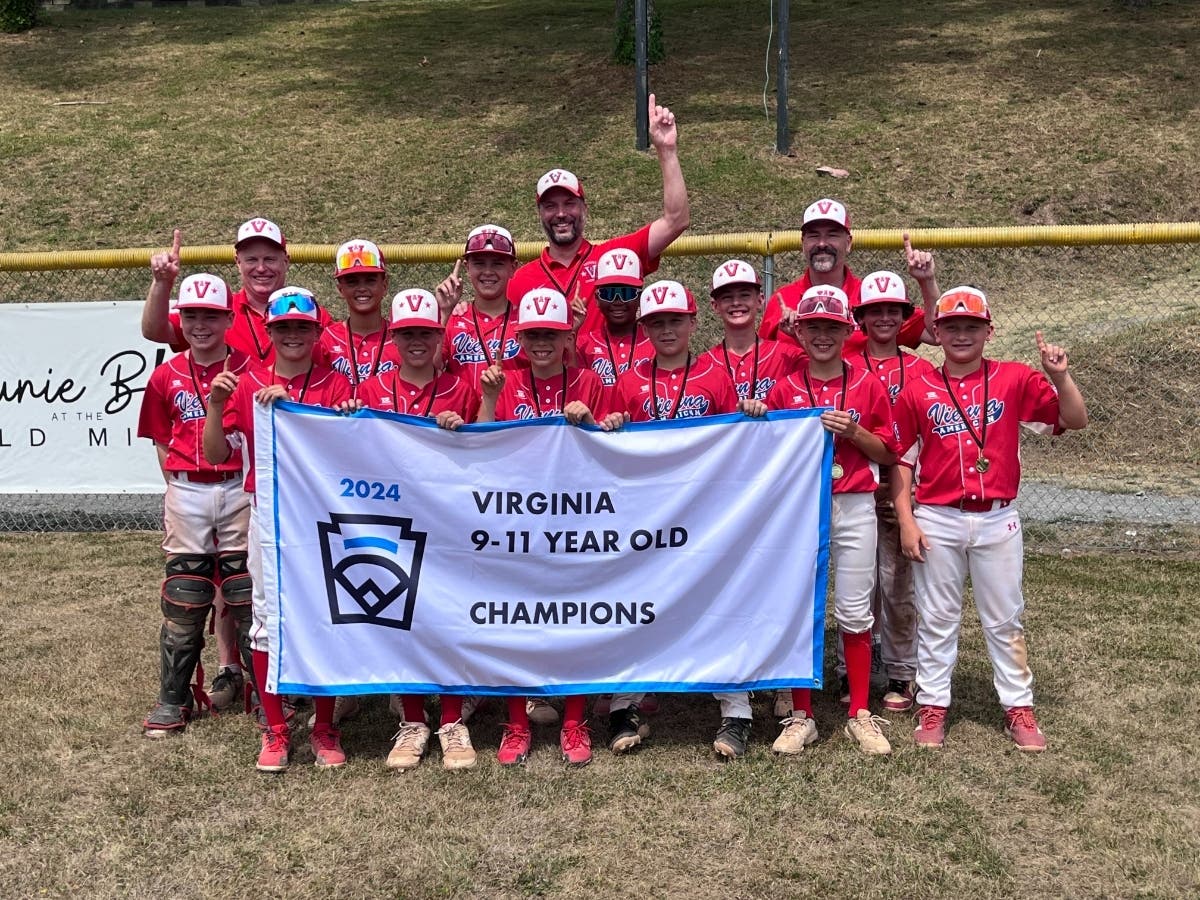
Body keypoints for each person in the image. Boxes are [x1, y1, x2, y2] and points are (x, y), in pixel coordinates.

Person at [891, 286, 1088, 752]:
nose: (961, 335)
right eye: (952, 326)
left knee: (1004, 619)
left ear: (988, 331)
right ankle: (934, 703)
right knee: (937, 617)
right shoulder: (918, 387)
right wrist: (906, 520)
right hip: (938, 516)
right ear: (936, 331)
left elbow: (1074, 419)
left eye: (972, 327)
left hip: (998, 517)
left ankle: (1018, 706)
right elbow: (901, 460)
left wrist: (1059, 377)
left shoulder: (1014, 379)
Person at [602, 279, 765, 759]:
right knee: (636, 604)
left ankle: (736, 710)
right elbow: (609, 457)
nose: (666, 329)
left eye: (675, 320)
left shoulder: (715, 375)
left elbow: (735, 448)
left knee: (720, 600)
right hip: (646, 516)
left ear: (694, 322)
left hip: (705, 514)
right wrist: (609, 426)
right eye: (656, 322)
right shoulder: (630, 380)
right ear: (644, 326)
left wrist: (750, 416)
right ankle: (623, 706)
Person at [203, 287, 353, 772]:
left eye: (302, 327)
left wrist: (327, 413)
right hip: (268, 513)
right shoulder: (248, 383)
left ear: (316, 332)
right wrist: (213, 405)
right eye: (283, 327)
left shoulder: (334, 382)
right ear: (269, 332)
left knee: (326, 617)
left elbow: (347, 450)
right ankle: (277, 728)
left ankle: (324, 727)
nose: (293, 335)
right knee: (267, 620)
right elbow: (218, 453)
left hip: (322, 514)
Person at [476, 288, 608, 767]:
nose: (541, 343)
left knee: (574, 620)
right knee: (515, 620)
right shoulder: (504, 382)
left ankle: (574, 722)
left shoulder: (589, 380)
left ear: (567, 335)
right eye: (532, 334)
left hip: (575, 517)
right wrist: (488, 401)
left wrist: (591, 420)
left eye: (550, 334)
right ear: (520, 337)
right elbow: (479, 449)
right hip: (515, 518)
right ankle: (516, 722)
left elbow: (610, 451)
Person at [765, 286, 898, 756]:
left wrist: (856, 431)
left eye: (832, 327)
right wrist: (759, 417)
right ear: (798, 330)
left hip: (855, 501)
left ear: (848, 331)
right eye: (813, 326)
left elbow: (888, 451)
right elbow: (766, 453)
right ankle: (802, 714)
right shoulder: (783, 386)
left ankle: (859, 712)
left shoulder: (866, 383)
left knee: (856, 609)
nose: (823, 335)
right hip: (801, 505)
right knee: (799, 606)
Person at [357, 288, 481, 771]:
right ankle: (412, 719)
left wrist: (462, 431)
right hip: (391, 520)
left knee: (449, 618)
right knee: (398, 618)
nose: (415, 341)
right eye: (406, 333)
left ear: (439, 336)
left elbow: (485, 453)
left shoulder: (461, 388)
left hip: (449, 520)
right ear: (393, 336)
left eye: (425, 333)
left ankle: (452, 721)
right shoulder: (370, 392)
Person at [137, 274, 254, 735]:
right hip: (188, 489)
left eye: (210, 315)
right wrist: (177, 485)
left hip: (238, 487)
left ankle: (265, 695)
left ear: (229, 318)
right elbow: (161, 439)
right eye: (191, 315)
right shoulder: (165, 374)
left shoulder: (249, 370)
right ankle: (174, 699)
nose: (200, 324)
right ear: (179, 320)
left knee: (247, 593)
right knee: (185, 596)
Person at [506, 93, 689, 336]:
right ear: (539, 213)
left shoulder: (614, 258)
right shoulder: (520, 279)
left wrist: (667, 151)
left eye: (569, 203)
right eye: (550, 206)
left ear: (584, 208)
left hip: (610, 372)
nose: (561, 213)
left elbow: (676, 220)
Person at [852, 271, 939, 716]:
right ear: (860, 317)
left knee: (898, 586)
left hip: (902, 489)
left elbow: (928, 434)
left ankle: (902, 671)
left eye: (893, 311)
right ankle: (860, 673)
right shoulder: (845, 362)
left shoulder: (921, 369)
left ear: (904, 317)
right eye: (875, 311)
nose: (884, 318)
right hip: (855, 490)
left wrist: (907, 488)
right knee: (859, 586)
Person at [759, 201, 937, 356]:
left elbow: (935, 334)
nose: (822, 243)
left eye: (832, 234)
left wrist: (927, 281)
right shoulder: (782, 300)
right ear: (803, 243)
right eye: (814, 235)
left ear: (849, 242)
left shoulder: (871, 297)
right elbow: (761, 360)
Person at [141, 220, 332, 362]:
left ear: (286, 261)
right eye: (251, 260)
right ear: (237, 262)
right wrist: (161, 282)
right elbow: (155, 332)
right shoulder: (218, 308)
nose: (261, 268)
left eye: (269, 259)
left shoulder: (311, 313)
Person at [701, 259, 803, 402]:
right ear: (715, 306)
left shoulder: (785, 355)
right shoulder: (703, 365)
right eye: (727, 297)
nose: (736, 302)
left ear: (760, 300)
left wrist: (800, 337)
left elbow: (827, 374)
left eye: (744, 295)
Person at [438, 225, 524, 394]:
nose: (488, 272)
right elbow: (430, 371)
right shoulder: (452, 319)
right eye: (479, 264)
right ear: (467, 267)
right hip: (461, 418)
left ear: (513, 268)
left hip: (515, 418)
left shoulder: (526, 320)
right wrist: (444, 313)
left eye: (497, 264)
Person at [320, 238, 399, 396]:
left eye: (370, 281)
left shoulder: (400, 338)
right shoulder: (327, 339)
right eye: (352, 282)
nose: (362, 288)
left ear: (384, 285)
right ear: (340, 289)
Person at [574, 248, 656, 387]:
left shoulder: (656, 341)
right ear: (597, 299)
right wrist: (570, 332)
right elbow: (573, 388)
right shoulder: (583, 345)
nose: (618, 301)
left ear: (640, 297)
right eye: (608, 293)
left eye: (627, 293)